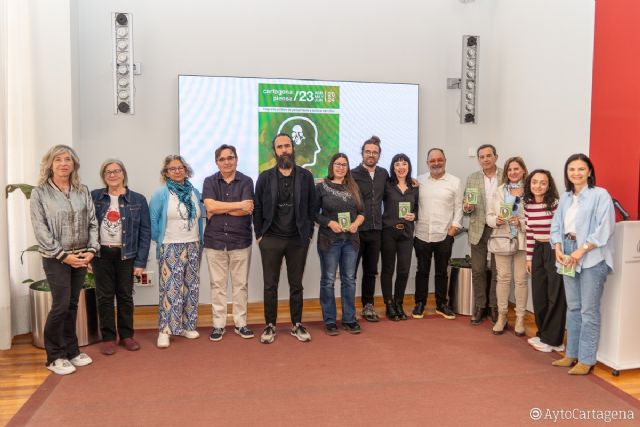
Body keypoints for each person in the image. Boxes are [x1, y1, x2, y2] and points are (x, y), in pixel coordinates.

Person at [30, 144, 99, 375]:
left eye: (68, 159)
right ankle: (54, 356)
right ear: (50, 163)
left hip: (81, 254)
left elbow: (92, 222)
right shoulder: (40, 193)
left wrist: (91, 250)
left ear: (74, 164)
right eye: (58, 159)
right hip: (55, 258)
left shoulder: (82, 190)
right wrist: (63, 256)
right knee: (60, 306)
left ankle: (72, 351)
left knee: (72, 305)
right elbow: (41, 230)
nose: (63, 163)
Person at [550, 154, 615, 375]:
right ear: (567, 173)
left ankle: (586, 359)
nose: (576, 173)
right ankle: (571, 354)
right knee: (574, 307)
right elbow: (556, 225)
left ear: (589, 171)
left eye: (581, 169)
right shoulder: (566, 198)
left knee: (588, 310)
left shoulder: (600, 195)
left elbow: (604, 229)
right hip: (567, 254)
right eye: (571, 169)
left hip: (591, 256)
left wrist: (580, 251)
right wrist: (558, 248)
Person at [254, 133, 316, 344]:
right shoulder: (265, 177)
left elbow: (311, 208)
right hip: (270, 238)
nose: (284, 150)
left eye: (287, 146)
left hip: (297, 239)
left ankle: (296, 324)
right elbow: (258, 208)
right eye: (279, 147)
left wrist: (308, 235)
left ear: (293, 148)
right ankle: (270, 325)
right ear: (274, 151)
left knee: (296, 284)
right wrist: (259, 235)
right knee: (270, 285)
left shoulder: (306, 177)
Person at [91, 159, 151, 355]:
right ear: (104, 176)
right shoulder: (94, 197)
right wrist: (88, 256)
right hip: (101, 254)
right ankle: (109, 337)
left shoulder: (138, 199)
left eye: (116, 171)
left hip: (127, 255)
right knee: (104, 297)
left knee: (125, 296)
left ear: (123, 174)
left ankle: (126, 335)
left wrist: (141, 261)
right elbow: (87, 228)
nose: (113, 175)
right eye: (108, 172)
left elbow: (145, 232)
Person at [149, 155, 205, 348]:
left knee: (191, 288)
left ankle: (188, 326)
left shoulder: (195, 192)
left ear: (186, 169)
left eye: (180, 167)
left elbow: (200, 218)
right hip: (171, 245)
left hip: (193, 245)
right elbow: (153, 222)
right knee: (170, 290)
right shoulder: (161, 194)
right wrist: (161, 241)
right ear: (166, 173)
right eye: (172, 168)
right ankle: (165, 330)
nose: (177, 171)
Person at [202, 144, 254, 342]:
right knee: (218, 285)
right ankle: (218, 325)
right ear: (217, 162)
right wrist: (237, 205)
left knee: (240, 285)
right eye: (222, 159)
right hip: (214, 241)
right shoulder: (209, 181)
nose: (227, 162)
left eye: (230, 157)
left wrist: (220, 208)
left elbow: (247, 209)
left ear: (236, 159)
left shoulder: (247, 181)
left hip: (240, 240)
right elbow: (209, 205)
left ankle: (241, 323)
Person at [315, 153, 365, 335]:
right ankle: (329, 321)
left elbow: (362, 212)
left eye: (344, 164)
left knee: (349, 280)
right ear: (331, 166)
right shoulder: (322, 187)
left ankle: (349, 319)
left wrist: (356, 224)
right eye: (337, 164)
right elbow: (314, 213)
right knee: (328, 280)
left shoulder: (353, 187)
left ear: (347, 167)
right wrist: (329, 223)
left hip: (351, 241)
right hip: (329, 240)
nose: (341, 167)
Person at [412, 148, 463, 320]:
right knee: (422, 271)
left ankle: (442, 304)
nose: (436, 163)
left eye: (439, 159)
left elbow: (459, 208)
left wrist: (453, 229)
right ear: (427, 163)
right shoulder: (418, 181)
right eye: (432, 160)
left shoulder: (455, 182)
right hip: (422, 234)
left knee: (442, 272)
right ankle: (420, 303)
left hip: (444, 235)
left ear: (445, 160)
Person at [523, 169, 566, 353]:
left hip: (554, 249)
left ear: (549, 186)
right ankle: (543, 334)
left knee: (555, 295)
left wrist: (560, 253)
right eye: (534, 182)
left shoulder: (555, 204)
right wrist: (529, 257)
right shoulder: (528, 205)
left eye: (542, 182)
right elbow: (530, 233)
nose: (538, 186)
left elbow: (562, 231)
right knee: (539, 294)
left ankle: (555, 341)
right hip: (538, 251)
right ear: (529, 184)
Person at [486, 157, 528, 336]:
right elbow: (489, 215)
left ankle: (519, 318)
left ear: (523, 171)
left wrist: (521, 222)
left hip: (523, 241)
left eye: (516, 169)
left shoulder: (530, 190)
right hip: (502, 238)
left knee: (521, 280)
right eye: (509, 169)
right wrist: (496, 220)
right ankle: (502, 316)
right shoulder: (499, 191)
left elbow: (535, 217)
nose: (512, 172)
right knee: (503, 278)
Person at [351, 135, 389, 322]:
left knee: (371, 271)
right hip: (356, 231)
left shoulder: (383, 174)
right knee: (350, 272)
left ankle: (368, 306)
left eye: (374, 152)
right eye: (368, 152)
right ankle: (349, 310)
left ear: (379, 155)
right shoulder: (352, 174)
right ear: (362, 153)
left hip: (376, 231)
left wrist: (412, 182)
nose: (371, 155)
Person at [463, 144, 502, 325]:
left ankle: (494, 307)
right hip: (478, 228)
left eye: (488, 156)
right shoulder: (472, 178)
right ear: (478, 159)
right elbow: (467, 207)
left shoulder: (506, 177)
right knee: (478, 270)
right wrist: (467, 207)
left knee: (497, 271)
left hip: (499, 230)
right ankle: (480, 306)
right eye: (482, 157)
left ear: (496, 156)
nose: (485, 159)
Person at [380, 154, 419, 321]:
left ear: (409, 167)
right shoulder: (386, 185)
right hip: (388, 232)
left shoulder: (415, 186)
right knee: (388, 270)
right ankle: (389, 305)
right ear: (393, 167)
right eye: (397, 164)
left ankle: (398, 303)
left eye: (404, 164)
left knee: (403, 270)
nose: (401, 167)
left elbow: (417, 209)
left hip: (406, 234)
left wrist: (414, 215)